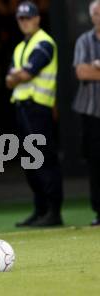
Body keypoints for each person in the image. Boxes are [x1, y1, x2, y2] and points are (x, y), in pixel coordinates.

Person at [6, 1, 63, 227]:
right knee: (30, 162)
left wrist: (19, 74)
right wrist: (19, 75)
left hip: (38, 108)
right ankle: (41, 210)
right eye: (21, 18)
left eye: (28, 17)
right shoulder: (21, 47)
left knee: (44, 160)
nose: (25, 22)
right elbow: (10, 79)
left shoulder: (44, 43)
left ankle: (53, 212)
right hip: (22, 107)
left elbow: (28, 73)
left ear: (38, 18)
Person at [73, 0, 100, 226]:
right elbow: (82, 72)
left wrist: (97, 66)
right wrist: (91, 68)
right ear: (92, 16)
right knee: (95, 162)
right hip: (91, 112)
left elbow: (89, 70)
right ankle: (99, 212)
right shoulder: (84, 40)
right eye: (98, 14)